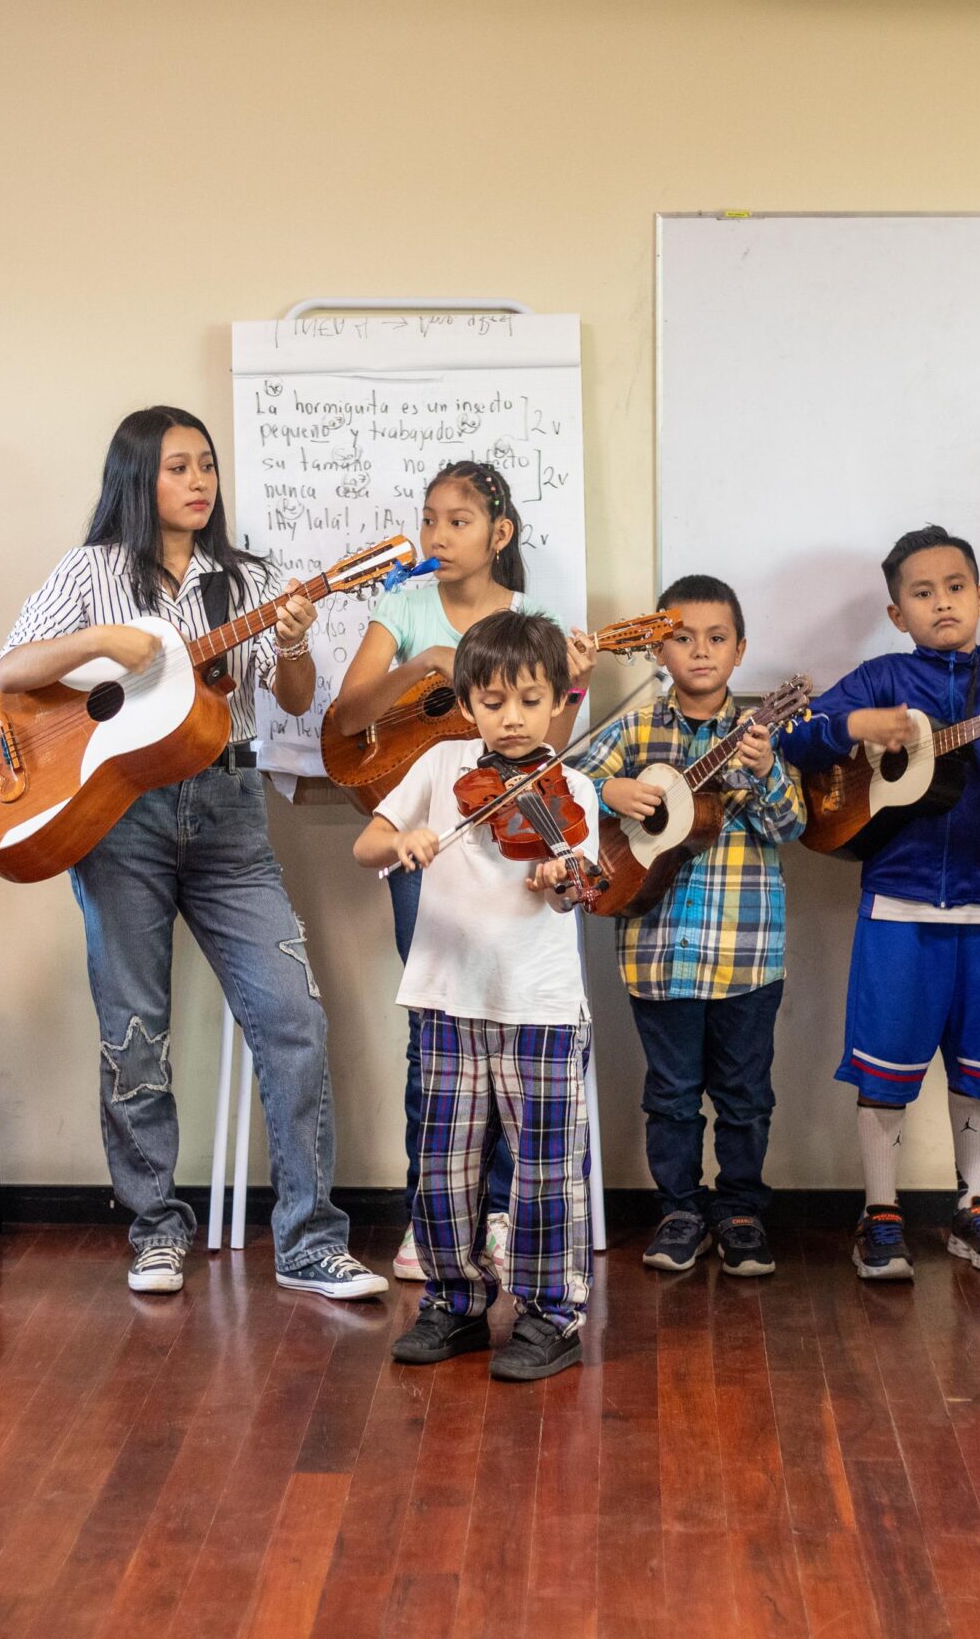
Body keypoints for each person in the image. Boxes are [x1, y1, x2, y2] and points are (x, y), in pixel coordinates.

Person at [0, 405, 384, 1300]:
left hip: (228, 810)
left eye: (206, 464)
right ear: (138, 478)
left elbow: (292, 697)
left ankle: (308, 1242)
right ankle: (154, 1229)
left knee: (293, 1017)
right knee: (134, 1030)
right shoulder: (91, 570)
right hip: (118, 814)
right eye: (179, 467)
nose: (200, 480)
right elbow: (14, 670)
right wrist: (100, 640)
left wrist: (288, 641)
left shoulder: (246, 581)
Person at [777, 525, 980, 1281]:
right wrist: (851, 726)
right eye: (922, 592)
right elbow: (797, 740)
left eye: (956, 587)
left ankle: (974, 1204)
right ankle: (881, 1211)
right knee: (886, 1067)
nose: (943, 602)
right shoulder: (879, 679)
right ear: (897, 612)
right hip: (898, 906)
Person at [330, 459, 595, 1283]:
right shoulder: (403, 606)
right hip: (432, 828)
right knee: (441, 1030)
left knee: (518, 1043)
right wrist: (426, 667)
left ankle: (512, 1220)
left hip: (522, 840)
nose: (438, 535)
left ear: (499, 533)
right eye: (430, 518)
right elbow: (345, 720)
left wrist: (577, 683)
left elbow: (558, 741)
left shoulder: (535, 624)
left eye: (458, 520)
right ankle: (436, 1217)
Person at [357, 610, 599, 1382]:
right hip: (448, 996)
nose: (513, 717)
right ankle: (454, 1304)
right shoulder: (439, 769)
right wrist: (402, 842)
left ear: (561, 700)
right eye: (494, 701)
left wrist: (561, 879)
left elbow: (578, 891)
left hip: (540, 1005)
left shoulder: (574, 788)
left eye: (531, 699)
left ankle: (550, 1315)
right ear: (467, 704)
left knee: (545, 1167)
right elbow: (368, 843)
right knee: (445, 1164)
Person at [568, 574, 803, 1276]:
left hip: (747, 952)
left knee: (744, 1095)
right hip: (657, 948)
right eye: (682, 638)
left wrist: (762, 772)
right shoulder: (637, 728)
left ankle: (739, 1211)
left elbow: (790, 825)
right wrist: (609, 788)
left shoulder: (761, 731)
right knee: (669, 1095)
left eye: (718, 638)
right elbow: (567, 784)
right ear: (659, 651)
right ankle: (678, 1210)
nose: (700, 651)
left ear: (740, 651)